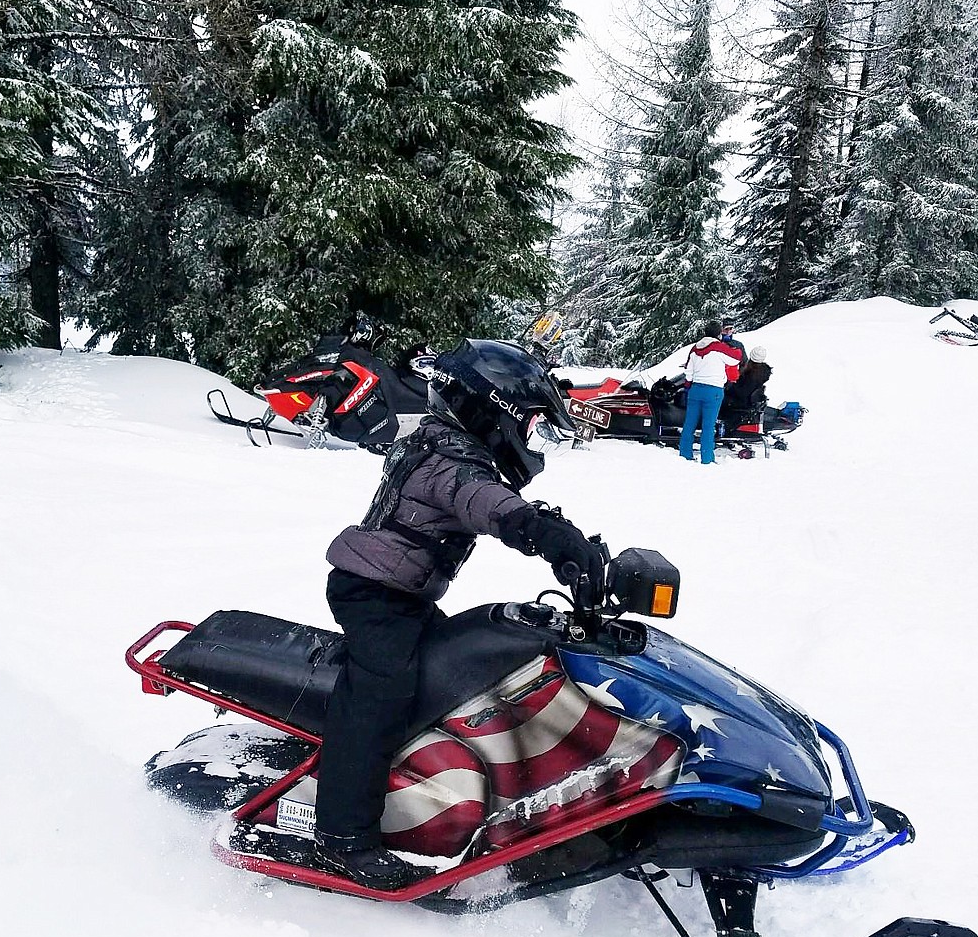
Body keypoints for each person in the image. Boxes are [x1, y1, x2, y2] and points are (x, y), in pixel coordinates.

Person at [315, 339, 608, 890]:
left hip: (401, 594)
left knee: (453, 674)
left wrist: (563, 536)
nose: (528, 441)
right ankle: (342, 836)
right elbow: (485, 503)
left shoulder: (448, 447)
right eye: (530, 426)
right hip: (376, 596)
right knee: (381, 692)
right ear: (496, 410)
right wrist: (543, 531)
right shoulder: (446, 458)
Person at [679, 321, 741, 464]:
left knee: (689, 423)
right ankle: (707, 458)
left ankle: (685, 454)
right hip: (713, 390)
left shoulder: (695, 348)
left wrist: (688, 385)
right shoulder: (719, 347)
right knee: (708, 426)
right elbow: (735, 358)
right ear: (719, 334)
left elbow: (688, 370)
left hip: (695, 389)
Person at [721, 346, 772, 425]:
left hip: (741, 402)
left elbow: (742, 392)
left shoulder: (751, 374)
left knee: (718, 399)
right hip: (745, 400)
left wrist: (729, 387)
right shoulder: (761, 373)